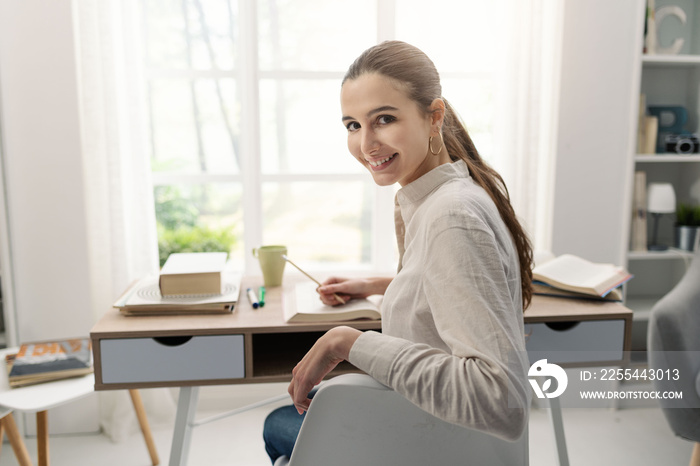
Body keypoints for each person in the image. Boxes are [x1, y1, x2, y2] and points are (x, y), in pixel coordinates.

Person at [263, 40, 533, 463]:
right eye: (352, 125)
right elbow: (452, 283)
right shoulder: (439, 198)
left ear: (434, 117)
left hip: (437, 443)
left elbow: (501, 401)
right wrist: (376, 285)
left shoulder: (450, 216)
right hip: (430, 428)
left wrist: (346, 341)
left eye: (383, 119)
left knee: (279, 425)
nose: (366, 143)